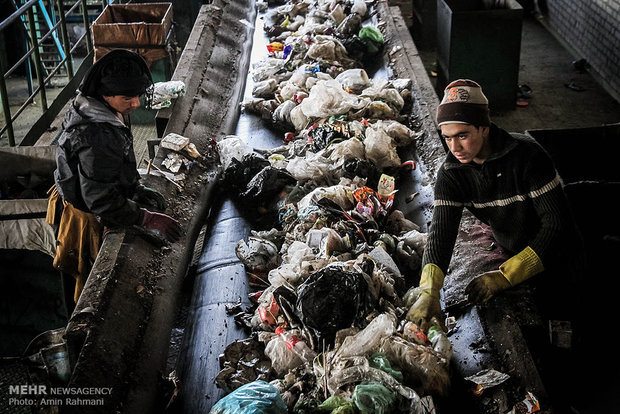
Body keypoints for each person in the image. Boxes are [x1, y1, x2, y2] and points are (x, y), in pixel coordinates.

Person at [407, 79, 584, 333]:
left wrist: (504, 276)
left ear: (485, 128)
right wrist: (429, 290)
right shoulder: (452, 174)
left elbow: (557, 225)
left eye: (462, 136)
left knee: (568, 329)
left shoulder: (527, 156)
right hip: (514, 257)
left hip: (560, 260)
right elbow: (442, 233)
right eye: (447, 138)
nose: (454, 147)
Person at [46, 49, 181, 307]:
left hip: (90, 196)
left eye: (138, 96)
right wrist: (145, 217)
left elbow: (112, 164)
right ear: (106, 95)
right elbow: (99, 200)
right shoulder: (95, 135)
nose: (136, 104)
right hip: (85, 218)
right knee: (93, 293)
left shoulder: (99, 106)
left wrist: (134, 188)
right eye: (127, 98)